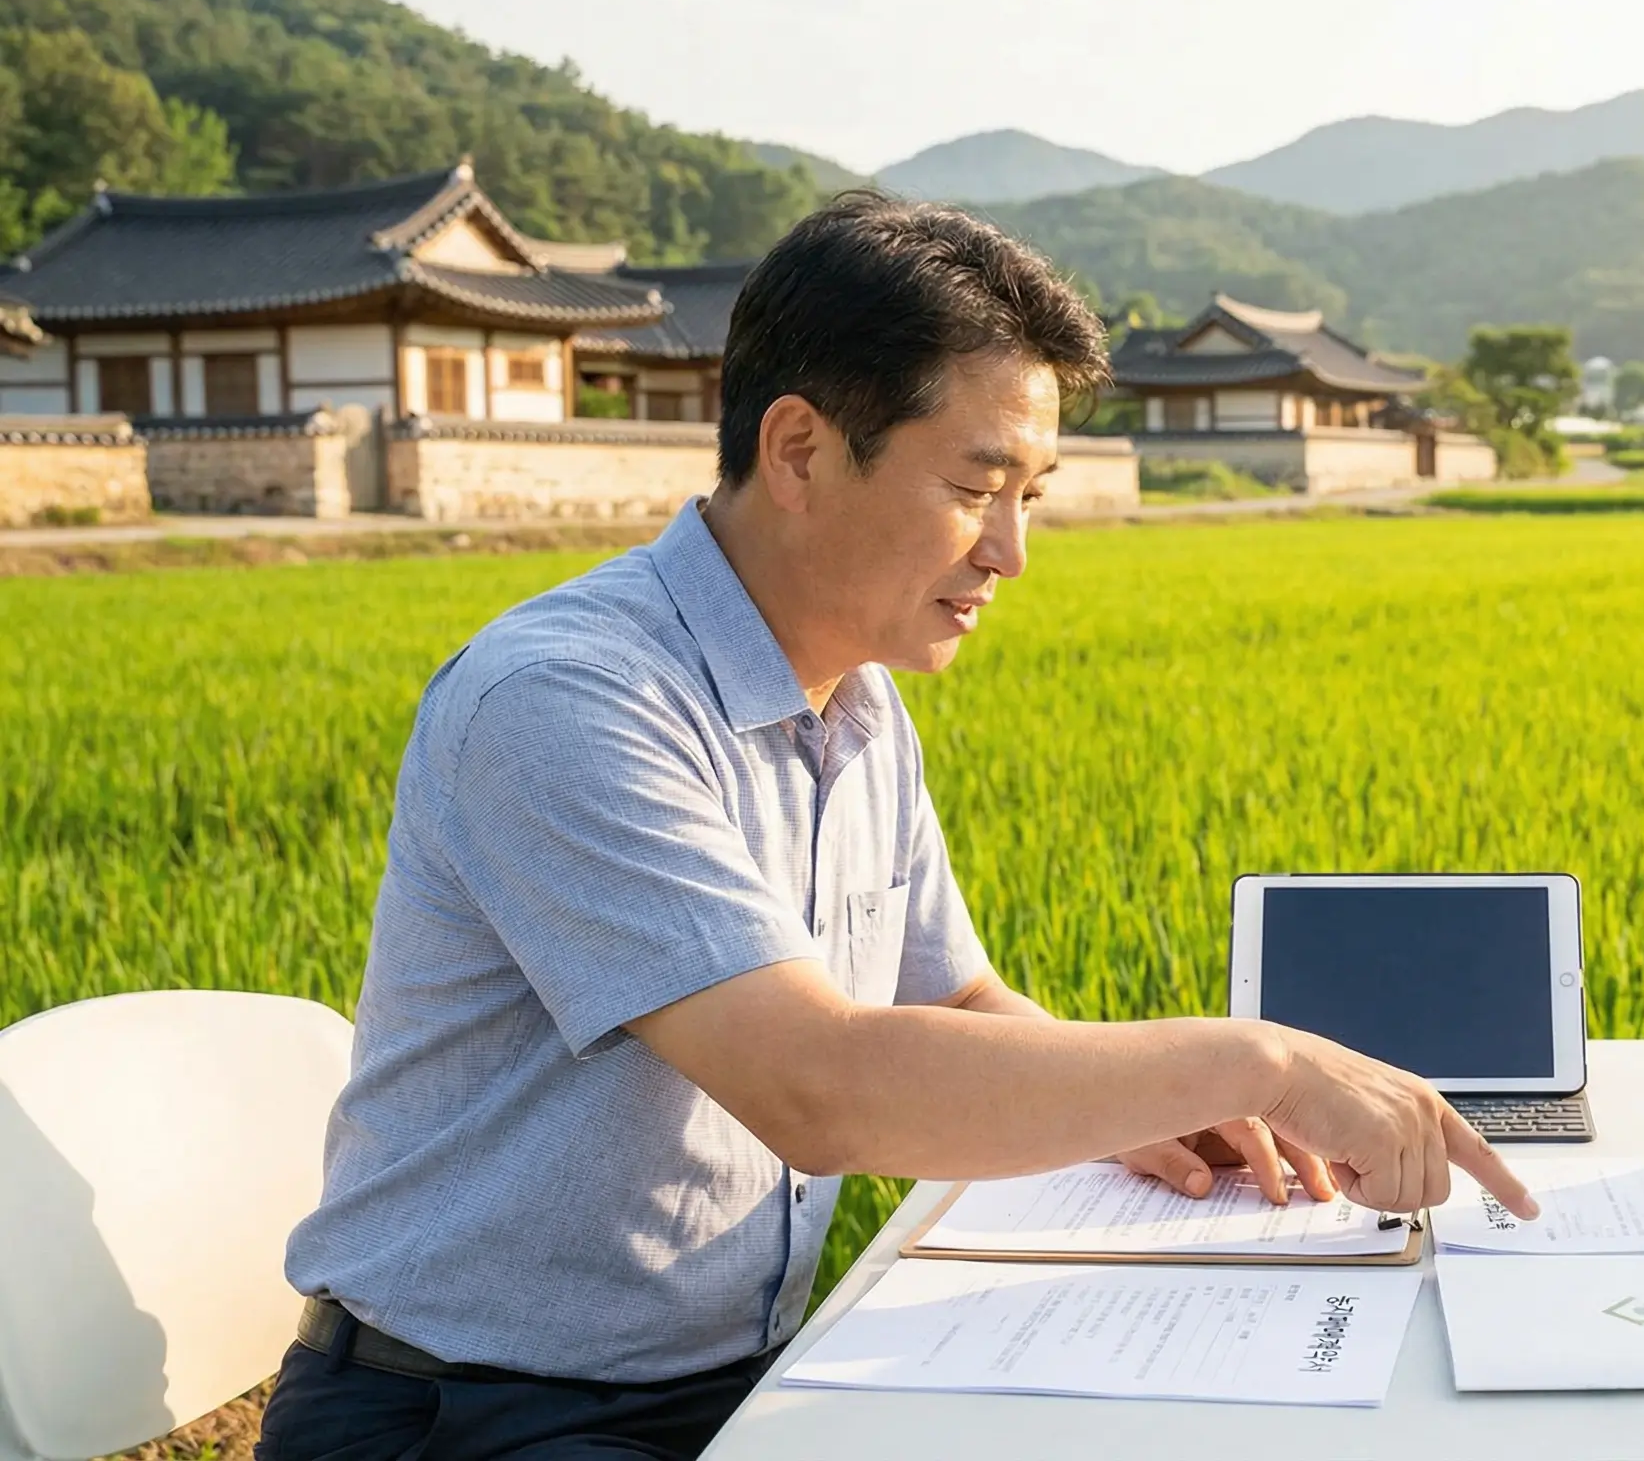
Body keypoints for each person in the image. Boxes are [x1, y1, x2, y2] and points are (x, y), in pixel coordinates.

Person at [259, 193, 1534, 1459]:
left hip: (743, 1376)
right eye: (978, 487)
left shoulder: (858, 702)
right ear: (803, 451)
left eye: (1031, 494)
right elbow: (816, 1086)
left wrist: (1136, 1111)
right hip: (468, 1412)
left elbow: (961, 1000)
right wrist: (1261, 1065)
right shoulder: (567, 698)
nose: (1012, 554)